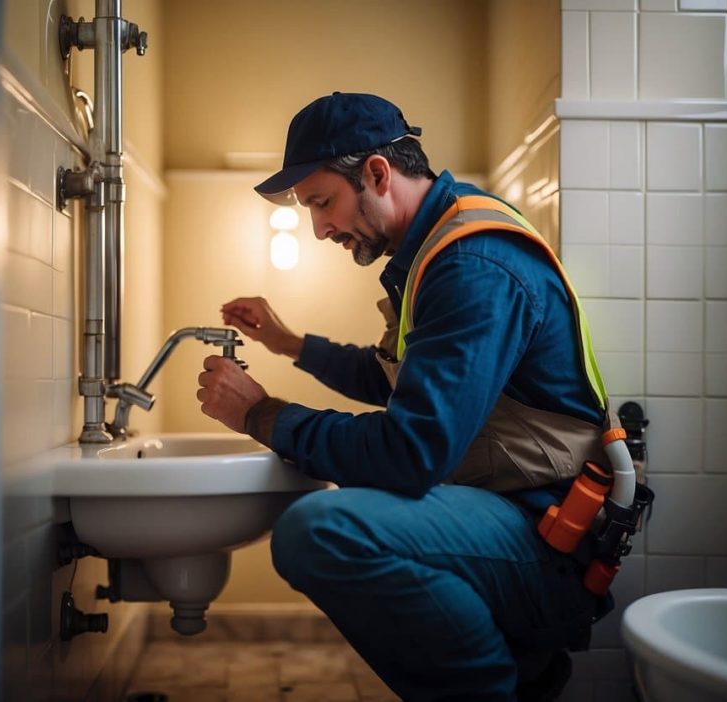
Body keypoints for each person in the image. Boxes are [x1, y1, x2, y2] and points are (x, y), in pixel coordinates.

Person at [196, 92, 619, 702]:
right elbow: (391, 380)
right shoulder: (436, 249)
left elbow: (412, 451)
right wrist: (288, 342)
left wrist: (259, 414)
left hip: (544, 536)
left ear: (376, 173)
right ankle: (522, 676)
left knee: (320, 529)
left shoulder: (472, 263)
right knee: (339, 501)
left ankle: (497, 687)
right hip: (509, 510)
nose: (318, 228)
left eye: (322, 202)